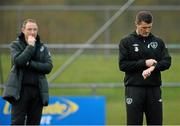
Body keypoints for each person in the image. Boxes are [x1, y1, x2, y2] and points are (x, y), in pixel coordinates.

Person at [118, 11, 171, 125]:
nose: (146, 30)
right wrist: (144, 63)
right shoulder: (126, 41)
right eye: (143, 27)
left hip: (154, 89)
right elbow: (123, 65)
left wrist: (153, 67)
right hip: (134, 89)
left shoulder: (158, 41)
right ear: (136, 24)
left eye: (149, 27)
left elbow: (167, 62)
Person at [3, 19, 53, 125]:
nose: (32, 32)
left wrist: (30, 64)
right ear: (23, 30)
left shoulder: (43, 47)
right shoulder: (15, 45)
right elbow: (19, 62)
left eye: (35, 29)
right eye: (29, 29)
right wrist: (30, 47)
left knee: (34, 123)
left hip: (37, 92)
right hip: (20, 91)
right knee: (17, 123)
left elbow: (48, 67)